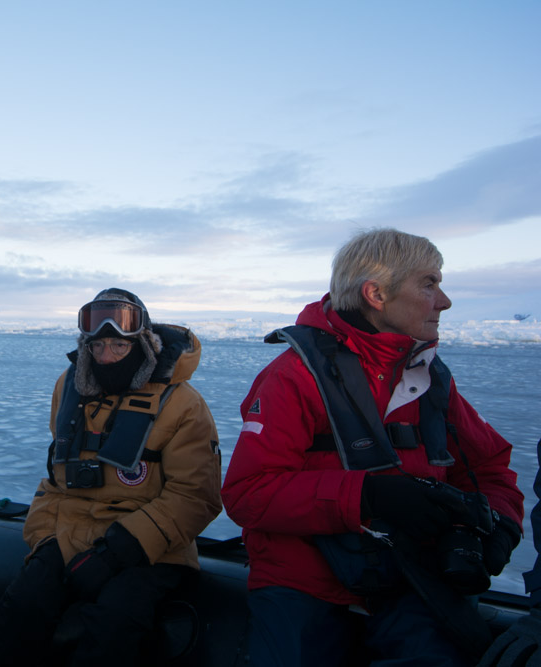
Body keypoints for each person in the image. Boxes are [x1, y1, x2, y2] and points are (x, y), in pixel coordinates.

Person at [221, 228, 524, 666]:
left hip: (413, 574)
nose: (444, 301)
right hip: (305, 581)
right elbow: (247, 494)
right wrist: (368, 496)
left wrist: (500, 526)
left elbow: (490, 467)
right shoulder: (293, 377)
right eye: (429, 283)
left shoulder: (430, 378)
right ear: (376, 293)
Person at [0, 288, 223, 666]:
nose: (106, 357)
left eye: (118, 347)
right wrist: (45, 540)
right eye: (96, 347)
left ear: (142, 345)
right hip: (69, 533)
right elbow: (55, 482)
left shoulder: (183, 405)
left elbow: (197, 497)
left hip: (149, 548)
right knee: (14, 620)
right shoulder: (69, 390)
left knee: (112, 631)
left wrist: (120, 550)